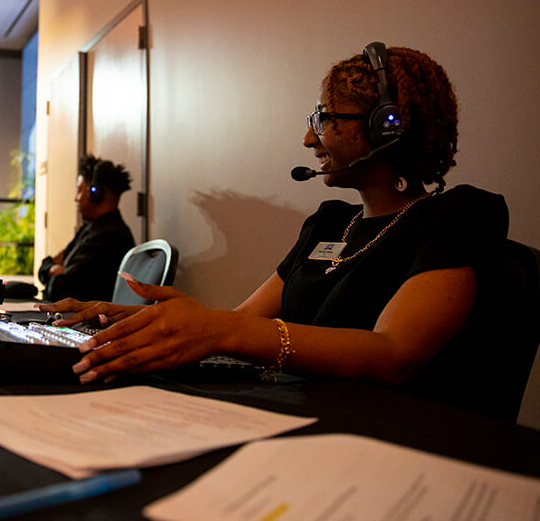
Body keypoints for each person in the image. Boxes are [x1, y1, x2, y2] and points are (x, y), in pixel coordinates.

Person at [40, 44, 512, 418]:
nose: (310, 137)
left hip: (384, 440)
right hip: (298, 420)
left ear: (387, 127)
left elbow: (393, 353)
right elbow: (242, 323)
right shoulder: (329, 223)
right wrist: (127, 321)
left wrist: (221, 329)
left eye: (325, 118)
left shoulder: (455, 218)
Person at [38, 154, 136, 301]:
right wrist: (53, 269)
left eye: (79, 190)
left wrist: (55, 271)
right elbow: (49, 266)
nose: (76, 198)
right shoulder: (92, 229)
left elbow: (60, 288)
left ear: (96, 193)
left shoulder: (108, 236)